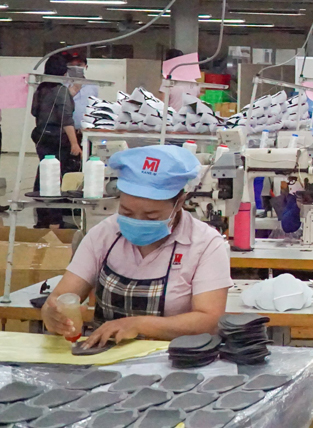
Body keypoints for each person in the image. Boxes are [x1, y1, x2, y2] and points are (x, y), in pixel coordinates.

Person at [40, 145, 232, 348]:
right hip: (104, 355)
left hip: (176, 361)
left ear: (180, 203)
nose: (138, 220)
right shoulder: (104, 234)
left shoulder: (205, 244)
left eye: (151, 216)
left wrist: (139, 325)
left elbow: (209, 321)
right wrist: (53, 314)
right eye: (127, 212)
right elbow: (60, 297)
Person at [31, 55, 83, 228]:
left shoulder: (41, 89)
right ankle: (55, 218)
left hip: (41, 136)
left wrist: (71, 94)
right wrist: (74, 143)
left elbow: (36, 112)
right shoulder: (60, 90)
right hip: (57, 138)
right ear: (63, 71)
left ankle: (42, 216)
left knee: (44, 173)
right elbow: (66, 119)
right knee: (56, 176)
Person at [65, 51, 99, 129]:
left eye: (79, 65)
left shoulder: (93, 86)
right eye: (71, 65)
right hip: (65, 130)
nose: (75, 68)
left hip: (87, 129)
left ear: (85, 66)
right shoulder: (61, 86)